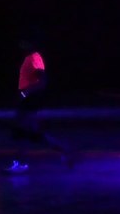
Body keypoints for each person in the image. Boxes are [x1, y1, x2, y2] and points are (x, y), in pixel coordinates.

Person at [6, 39, 72, 173]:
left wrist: (25, 93)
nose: (21, 44)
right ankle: (64, 150)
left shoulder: (35, 57)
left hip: (31, 100)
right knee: (33, 134)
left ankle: (21, 163)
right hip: (28, 99)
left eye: (24, 41)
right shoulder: (29, 57)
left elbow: (42, 81)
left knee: (21, 131)